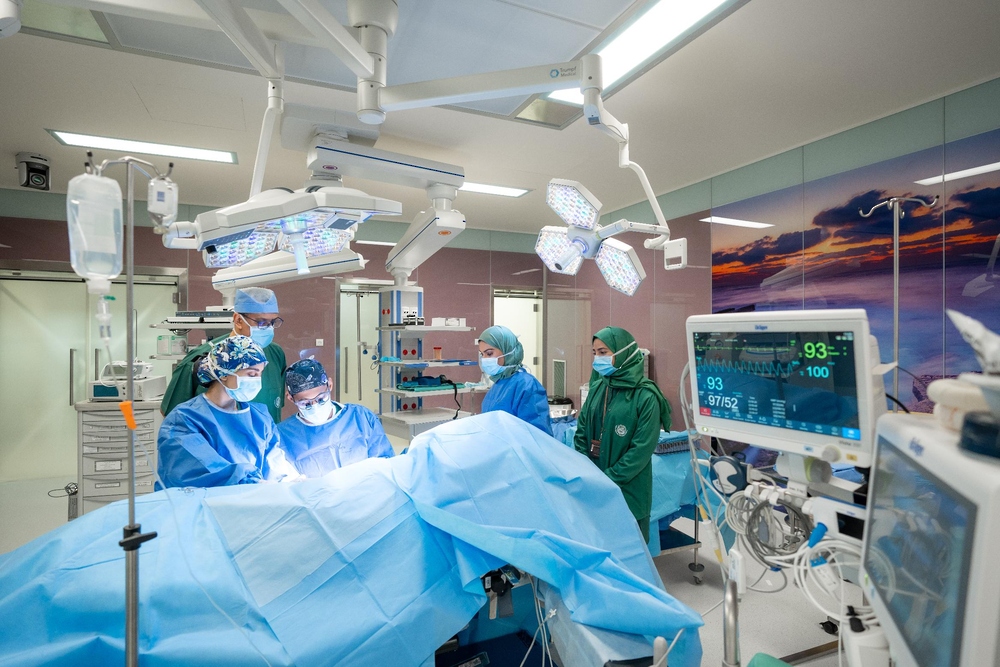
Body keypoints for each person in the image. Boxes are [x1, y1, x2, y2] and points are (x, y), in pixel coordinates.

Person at [157, 335, 299, 488]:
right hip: (208, 501)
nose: (257, 381)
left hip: (253, 498)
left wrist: (291, 481)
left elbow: (274, 463)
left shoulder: (259, 417)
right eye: (251, 374)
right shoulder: (184, 420)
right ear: (224, 373)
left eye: (260, 374)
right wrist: (253, 483)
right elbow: (202, 470)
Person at [574, 327, 671, 542]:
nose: (597, 359)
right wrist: (586, 470)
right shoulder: (598, 388)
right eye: (594, 353)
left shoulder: (646, 396)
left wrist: (607, 480)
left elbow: (640, 451)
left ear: (624, 353)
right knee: (596, 546)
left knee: (629, 550)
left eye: (603, 352)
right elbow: (581, 432)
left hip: (628, 491)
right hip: (593, 487)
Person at [160, 287, 287, 422]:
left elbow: (274, 406)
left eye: (273, 322)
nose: (269, 328)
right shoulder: (202, 360)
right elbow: (172, 416)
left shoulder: (275, 354)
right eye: (261, 322)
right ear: (238, 320)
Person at [277, 359, 394, 477]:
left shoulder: (361, 418)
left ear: (330, 385)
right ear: (290, 398)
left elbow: (384, 466)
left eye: (321, 399)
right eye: (305, 403)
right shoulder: (282, 435)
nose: (315, 407)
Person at [478, 325, 553, 436]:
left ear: (508, 350)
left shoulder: (527, 385)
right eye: (482, 354)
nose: (484, 359)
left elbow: (537, 435)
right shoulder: (498, 384)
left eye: (489, 353)